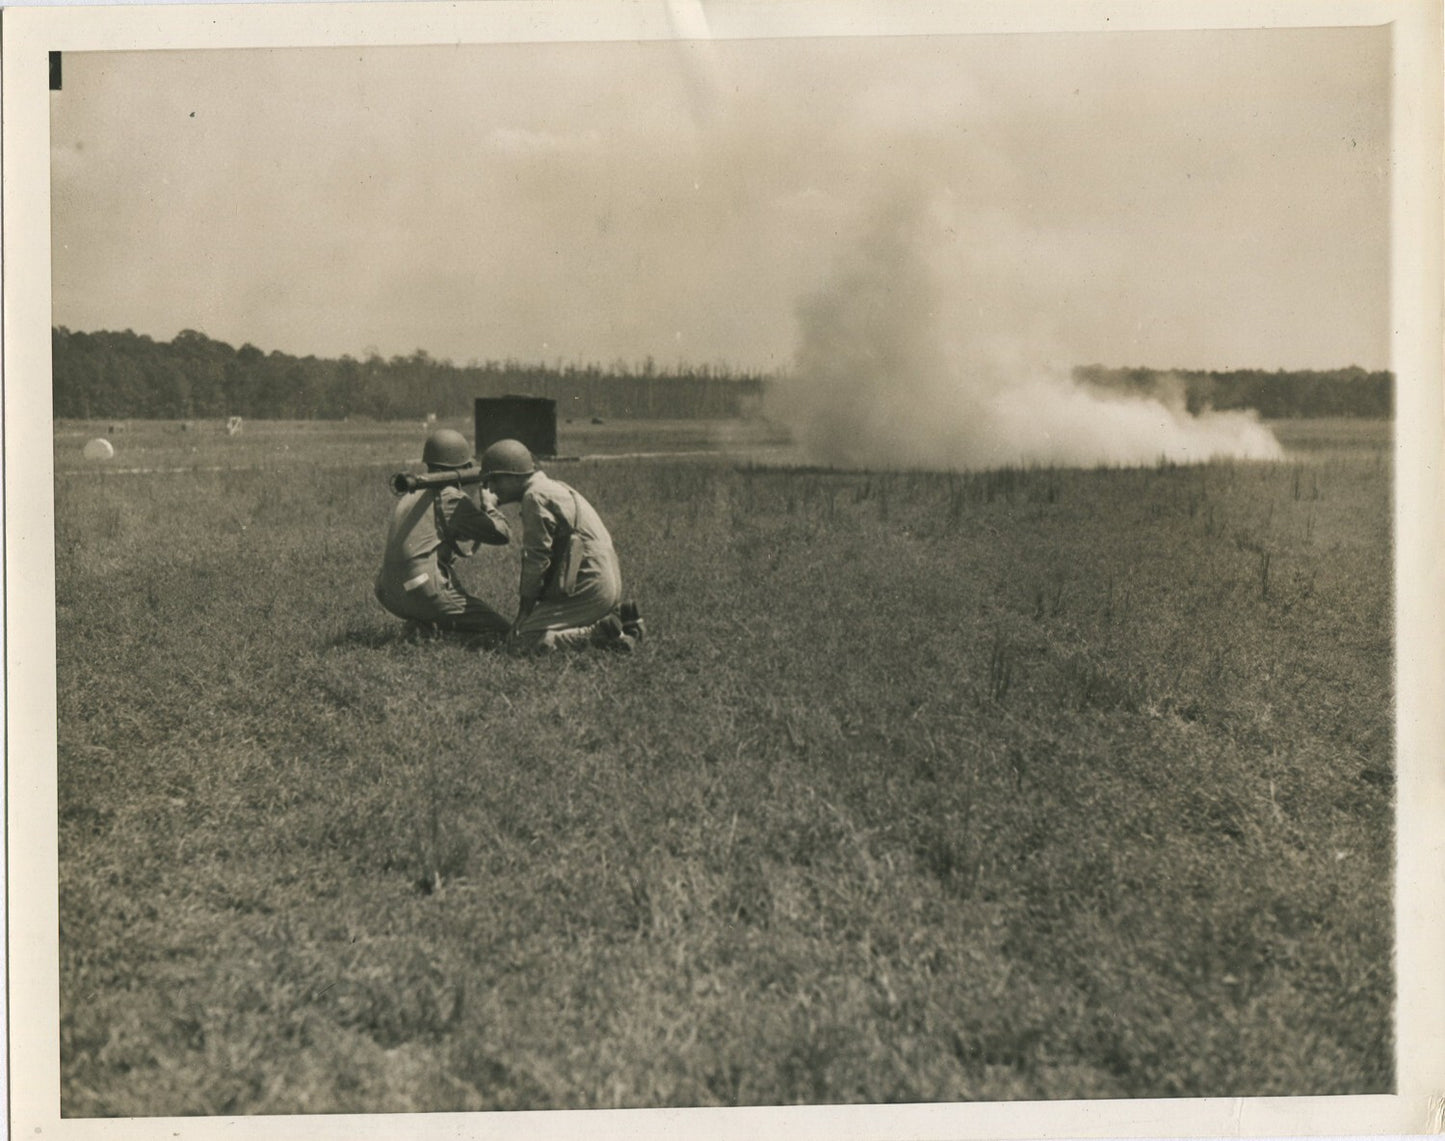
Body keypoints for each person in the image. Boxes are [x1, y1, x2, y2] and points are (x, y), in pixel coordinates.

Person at [479, 438, 645, 652]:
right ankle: (620, 621)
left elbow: (536, 560)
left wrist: (524, 613)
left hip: (589, 586)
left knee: (521, 642)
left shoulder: (534, 497)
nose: (491, 488)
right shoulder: (554, 487)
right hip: (604, 581)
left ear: (513, 475)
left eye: (495, 480)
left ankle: (597, 635)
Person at [374, 428, 512, 638]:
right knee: (502, 630)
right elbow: (501, 535)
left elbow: (456, 534)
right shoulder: (450, 498)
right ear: (464, 466)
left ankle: (424, 627)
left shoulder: (413, 492)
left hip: (388, 592)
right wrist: (489, 505)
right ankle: (437, 628)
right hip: (421, 590)